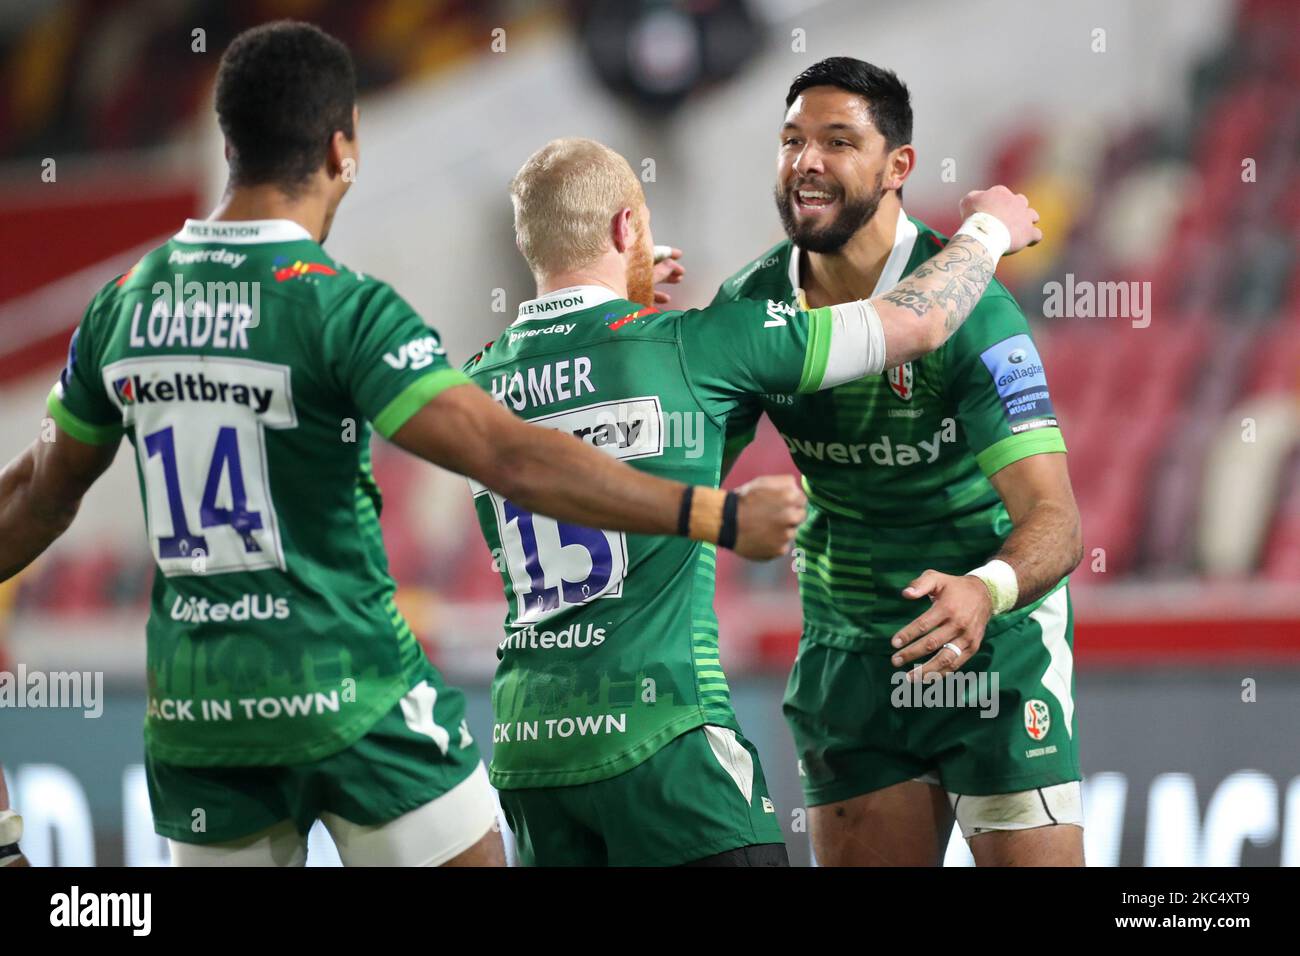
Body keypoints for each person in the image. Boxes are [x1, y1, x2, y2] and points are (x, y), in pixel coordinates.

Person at [0, 21, 805, 868]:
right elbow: (509, 455)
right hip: (353, 699)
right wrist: (708, 510)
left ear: (227, 142)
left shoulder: (124, 303)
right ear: (344, 147)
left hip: (202, 718)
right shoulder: (337, 306)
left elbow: (38, 493)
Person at [462, 136, 1042, 866]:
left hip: (527, 755)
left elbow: (589, 398)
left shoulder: (470, 384)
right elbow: (917, 321)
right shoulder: (693, 344)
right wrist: (988, 231)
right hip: (666, 742)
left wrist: (626, 297)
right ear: (624, 230)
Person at [714, 57, 1085, 866]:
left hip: (994, 646)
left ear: (897, 168)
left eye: (837, 141)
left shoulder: (976, 311)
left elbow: (1057, 522)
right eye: (791, 140)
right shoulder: (750, 306)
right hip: (849, 656)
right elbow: (680, 461)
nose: (805, 161)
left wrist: (986, 591)